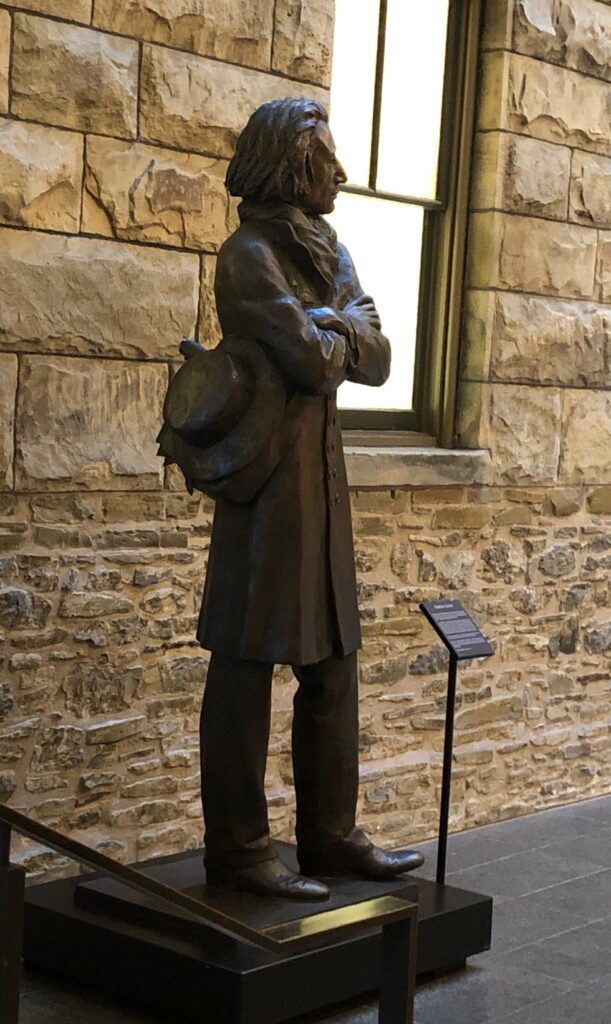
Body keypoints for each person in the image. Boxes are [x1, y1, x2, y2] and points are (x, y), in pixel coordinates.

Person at [167, 98, 424, 900]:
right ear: (287, 162)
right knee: (245, 664)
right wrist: (339, 328)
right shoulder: (248, 255)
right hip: (266, 483)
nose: (340, 173)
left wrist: (336, 328)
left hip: (322, 482)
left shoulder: (330, 249)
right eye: (325, 158)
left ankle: (330, 836)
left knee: (335, 662)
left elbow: (378, 357)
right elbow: (314, 364)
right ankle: (239, 850)